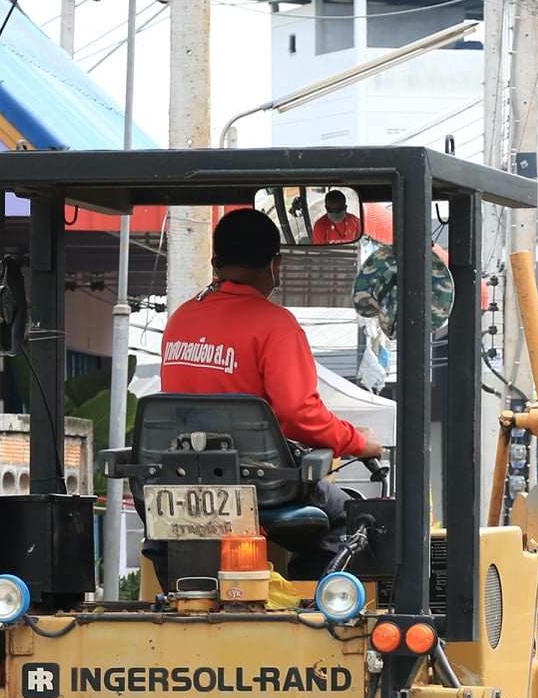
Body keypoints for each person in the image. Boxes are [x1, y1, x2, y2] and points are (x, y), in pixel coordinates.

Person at [159, 208, 383, 555]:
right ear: (275, 265)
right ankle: (318, 608)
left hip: (180, 483)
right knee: (351, 519)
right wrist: (357, 441)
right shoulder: (275, 325)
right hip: (260, 488)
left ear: (215, 264)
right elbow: (298, 413)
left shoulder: (181, 319)